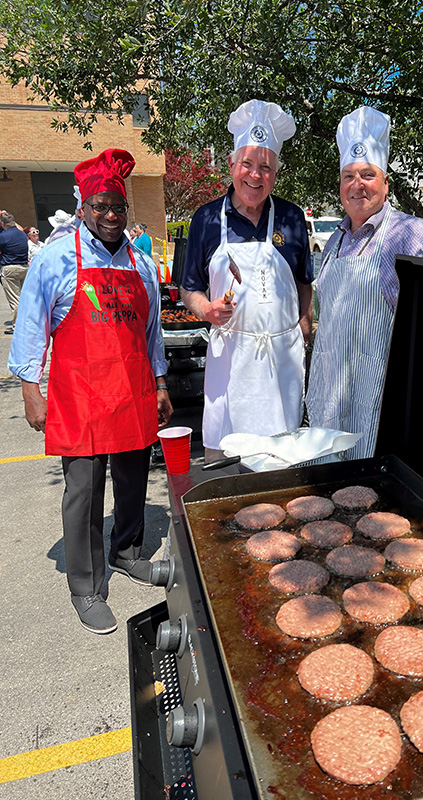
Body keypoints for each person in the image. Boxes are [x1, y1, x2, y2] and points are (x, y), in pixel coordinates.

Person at [8, 148, 173, 635]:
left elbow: (151, 332)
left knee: (132, 480)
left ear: (126, 212)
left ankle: (126, 552)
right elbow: (31, 326)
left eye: (117, 207)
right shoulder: (57, 258)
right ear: (83, 207)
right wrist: (29, 389)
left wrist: (160, 383)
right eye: (100, 206)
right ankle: (85, 586)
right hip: (78, 393)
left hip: (131, 390)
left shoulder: (140, 263)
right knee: (82, 491)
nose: (108, 215)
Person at [306, 106, 423, 459]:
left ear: (385, 183)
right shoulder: (334, 241)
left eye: (368, 174)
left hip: (378, 408)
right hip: (330, 403)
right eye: (348, 175)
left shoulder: (412, 237)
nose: (357, 185)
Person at [181, 99, 313, 462]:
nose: (255, 176)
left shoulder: (291, 218)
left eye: (265, 167)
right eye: (248, 164)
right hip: (231, 361)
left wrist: (304, 325)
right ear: (231, 165)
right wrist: (206, 309)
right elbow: (188, 287)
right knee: (225, 460)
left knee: (279, 461)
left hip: (280, 363)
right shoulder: (206, 219)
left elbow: (304, 281)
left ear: (276, 172)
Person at [0, 211, 29, 334]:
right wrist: (7, 216)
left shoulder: (4, 236)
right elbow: (15, 226)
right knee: (23, 298)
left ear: (2, 224)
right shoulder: (22, 234)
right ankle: (27, 322)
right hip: (24, 268)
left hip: (10, 269)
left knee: (15, 300)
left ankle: (17, 325)